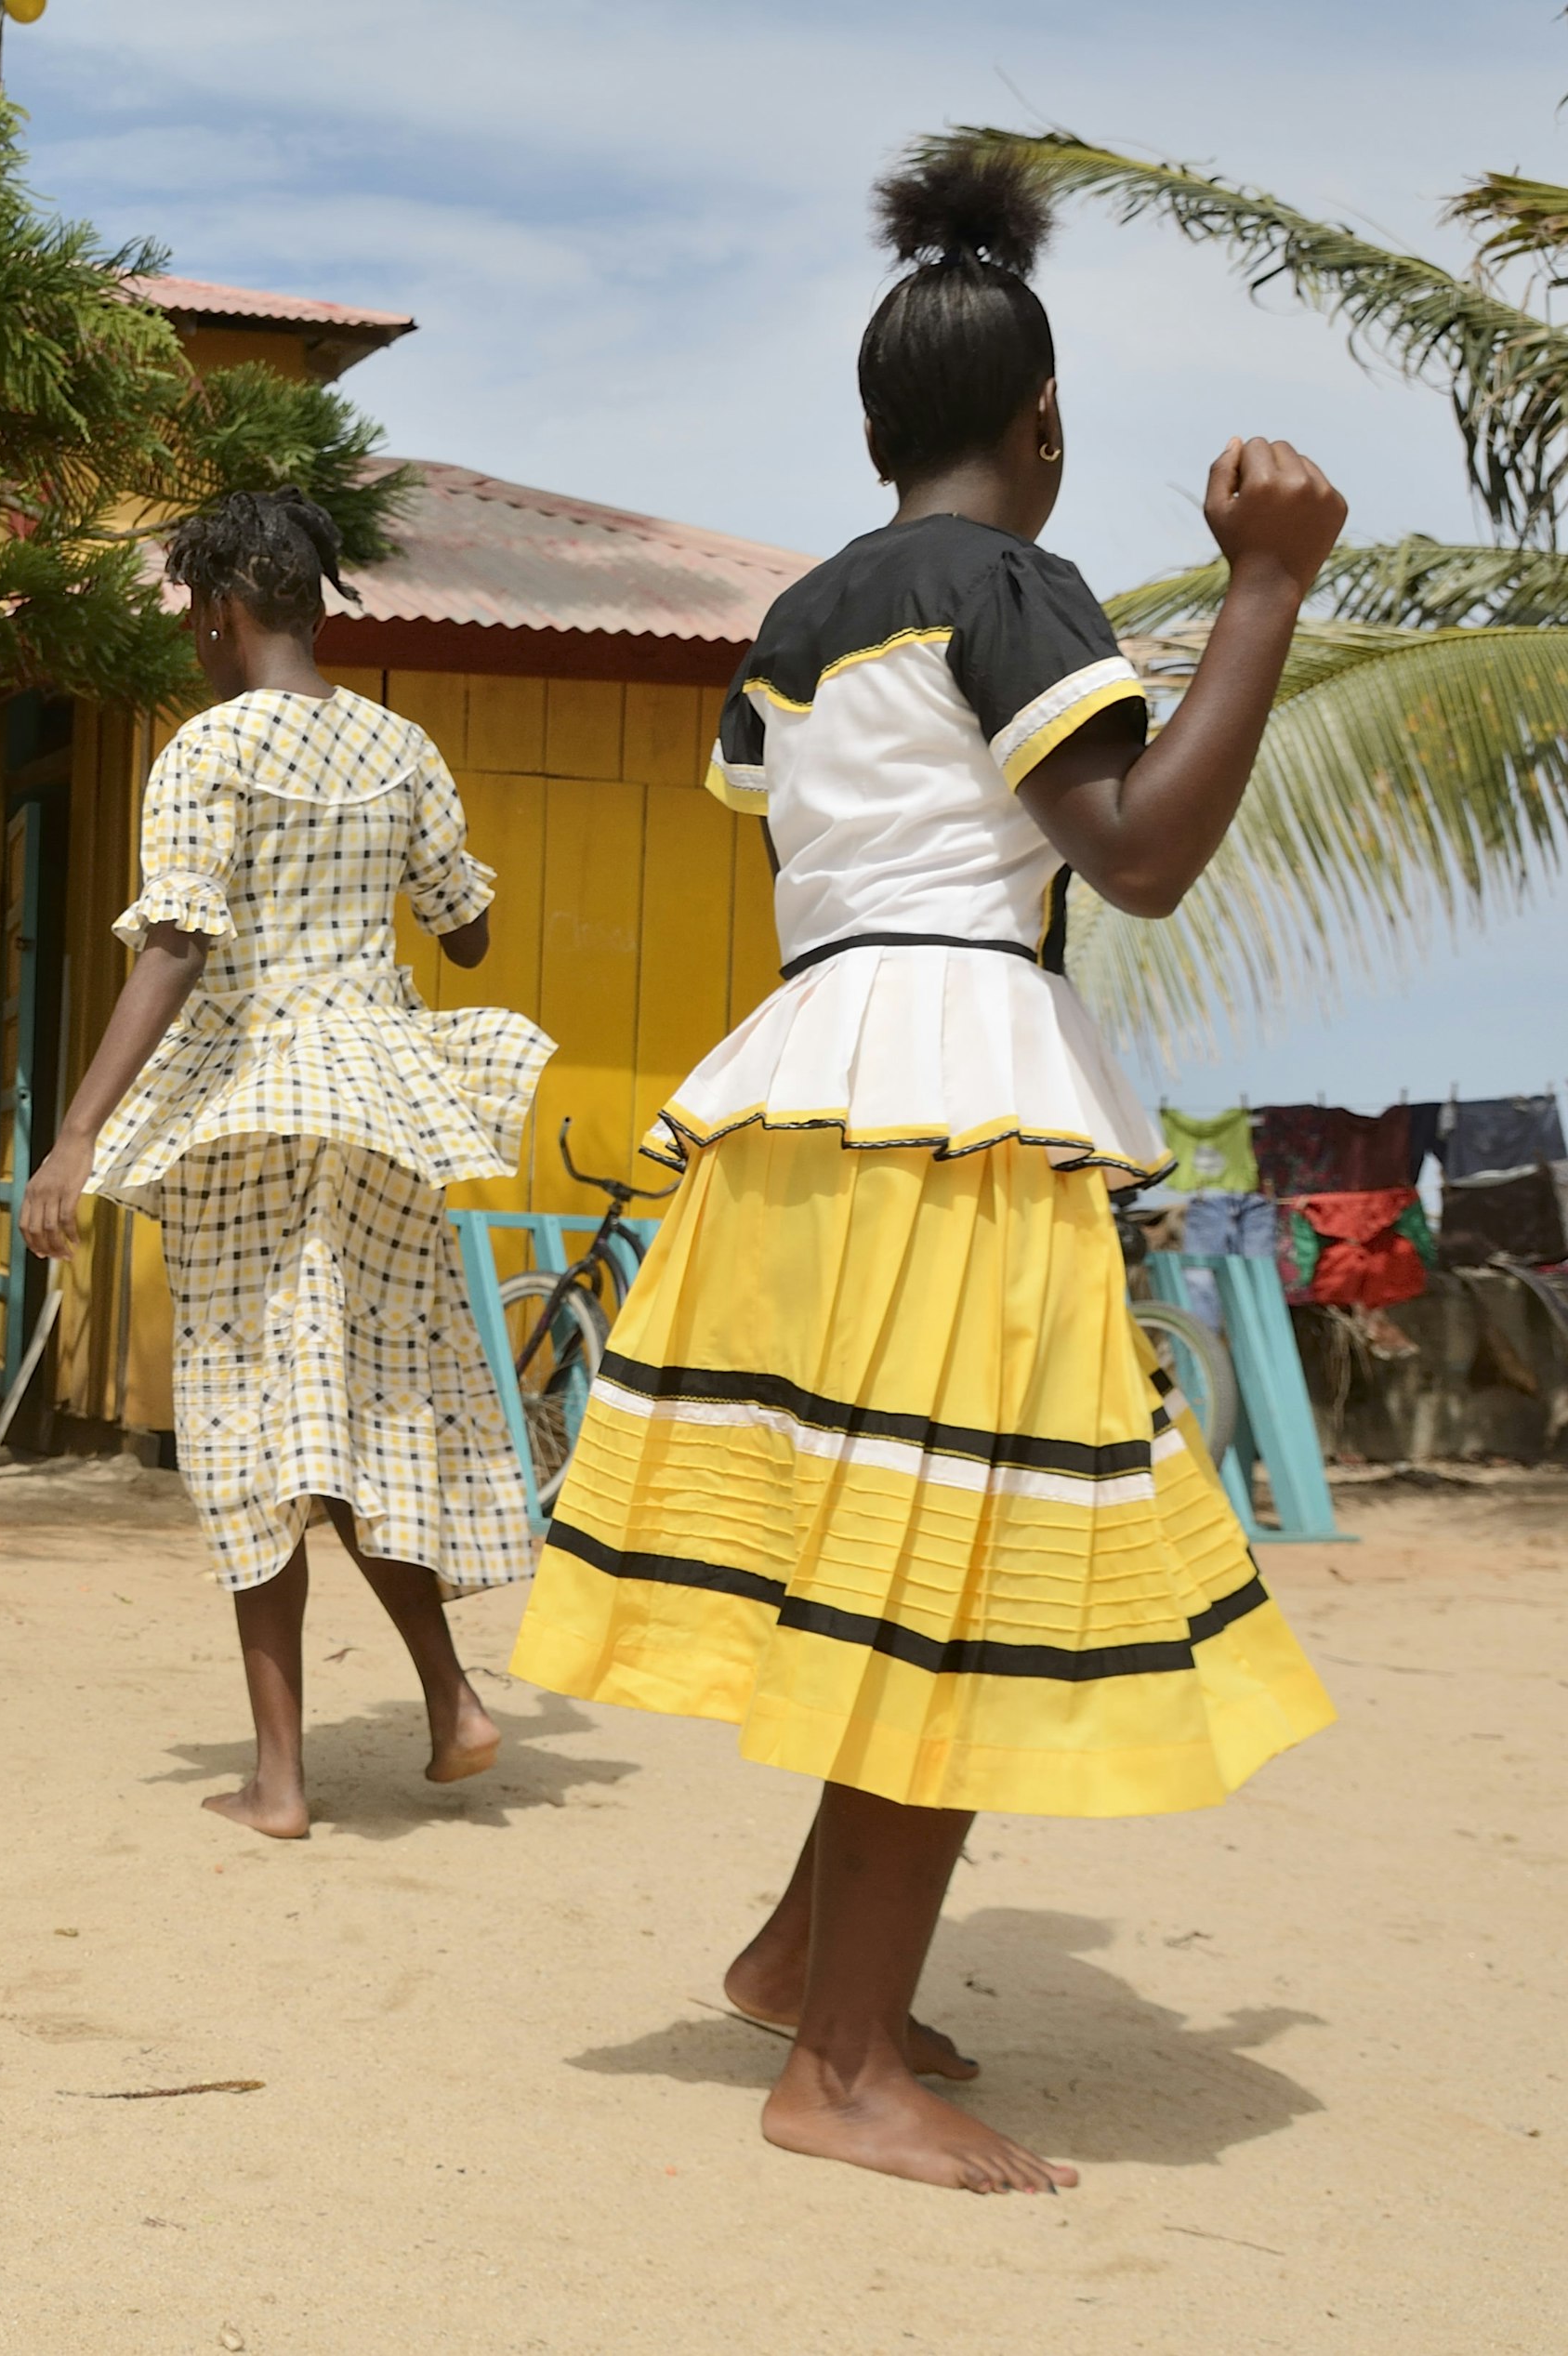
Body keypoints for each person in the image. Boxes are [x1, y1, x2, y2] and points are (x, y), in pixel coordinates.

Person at [504, 152, 1344, 2195]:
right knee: (946, 1579)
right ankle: (846, 2069)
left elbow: (810, 829)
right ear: (1041, 424)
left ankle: (806, 1960)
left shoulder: (801, 620)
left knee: (901, 1550)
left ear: (873, 434)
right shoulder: (1013, 588)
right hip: (958, 1102)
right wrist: (1266, 587)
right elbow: (1133, 850)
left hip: (815, 1096)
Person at [22, 489, 557, 1839]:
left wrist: (78, 1130)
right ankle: (452, 1702)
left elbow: (179, 943)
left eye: (190, 616)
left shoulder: (210, 748)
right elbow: (470, 931)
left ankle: (280, 1777)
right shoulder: (403, 744)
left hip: (258, 1109)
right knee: (363, 1407)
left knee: (258, 1427)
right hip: (384, 1104)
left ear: (218, 609)